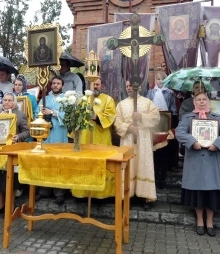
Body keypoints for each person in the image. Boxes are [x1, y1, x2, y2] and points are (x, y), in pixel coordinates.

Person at [175, 92, 220, 237]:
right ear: (194, 102)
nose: (201, 102)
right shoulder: (188, 118)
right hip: (195, 161)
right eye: (198, 100)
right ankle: (200, 221)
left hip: (212, 160)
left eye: (204, 99)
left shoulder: (217, 118)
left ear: (208, 101)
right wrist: (192, 142)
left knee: (211, 192)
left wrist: (217, 144)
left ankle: (210, 222)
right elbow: (179, 132)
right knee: (198, 192)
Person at [114, 80, 160, 209]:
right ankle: (126, 195)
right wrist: (128, 127)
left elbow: (156, 118)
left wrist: (141, 117)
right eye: (127, 86)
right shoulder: (121, 105)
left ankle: (145, 196)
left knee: (143, 164)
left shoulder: (147, 102)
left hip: (143, 139)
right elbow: (117, 122)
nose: (129, 88)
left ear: (138, 87)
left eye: (131, 86)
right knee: (128, 166)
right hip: (127, 140)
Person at [71, 78, 117, 199]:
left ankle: (100, 195)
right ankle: (83, 193)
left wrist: (97, 117)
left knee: (100, 164)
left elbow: (111, 116)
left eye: (97, 84)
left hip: (100, 138)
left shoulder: (108, 99)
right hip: (84, 138)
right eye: (93, 84)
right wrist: (74, 137)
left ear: (101, 85)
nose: (95, 86)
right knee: (84, 163)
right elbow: (76, 118)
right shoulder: (82, 100)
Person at [0, 93, 29, 216]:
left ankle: (10, 206)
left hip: (12, 151)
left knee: (12, 180)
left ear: (15, 103)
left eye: (10, 100)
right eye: (5, 100)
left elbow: (26, 131)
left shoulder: (20, 115)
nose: (7, 102)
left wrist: (18, 137)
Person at [37, 76, 68, 205]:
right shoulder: (45, 99)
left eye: (58, 83)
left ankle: (59, 192)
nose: (55, 85)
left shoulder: (67, 99)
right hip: (46, 135)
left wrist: (53, 112)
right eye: (54, 83)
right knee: (45, 162)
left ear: (62, 86)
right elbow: (35, 114)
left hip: (60, 134)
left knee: (59, 162)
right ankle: (44, 190)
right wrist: (41, 113)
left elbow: (69, 116)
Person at [146, 71, 179, 189]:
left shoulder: (169, 93)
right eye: (157, 79)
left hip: (165, 125)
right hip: (152, 127)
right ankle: (154, 178)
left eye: (161, 79)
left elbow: (173, 109)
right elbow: (147, 108)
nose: (159, 81)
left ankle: (163, 179)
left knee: (164, 153)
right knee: (154, 154)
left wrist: (170, 122)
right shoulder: (150, 93)